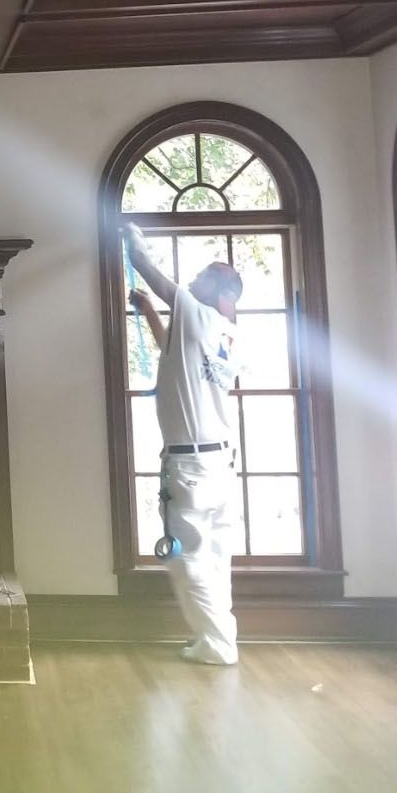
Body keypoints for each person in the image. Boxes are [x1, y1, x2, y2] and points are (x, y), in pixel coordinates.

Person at [123, 222, 244, 666]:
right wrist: (150, 312)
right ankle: (218, 638)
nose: (190, 283)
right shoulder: (226, 332)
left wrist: (131, 235)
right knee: (213, 559)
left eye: (199, 280)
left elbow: (145, 266)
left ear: (215, 291)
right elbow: (172, 350)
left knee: (187, 559)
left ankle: (217, 644)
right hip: (218, 465)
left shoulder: (194, 309)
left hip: (190, 468)